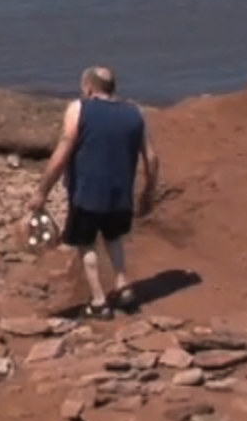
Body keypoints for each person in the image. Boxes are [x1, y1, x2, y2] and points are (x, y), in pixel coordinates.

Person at [28, 66, 159, 319]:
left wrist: (42, 190)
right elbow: (152, 158)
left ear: (88, 87)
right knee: (114, 238)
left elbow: (63, 151)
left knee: (86, 244)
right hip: (121, 194)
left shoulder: (79, 108)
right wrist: (148, 192)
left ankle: (98, 301)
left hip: (87, 194)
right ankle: (123, 286)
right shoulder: (135, 112)